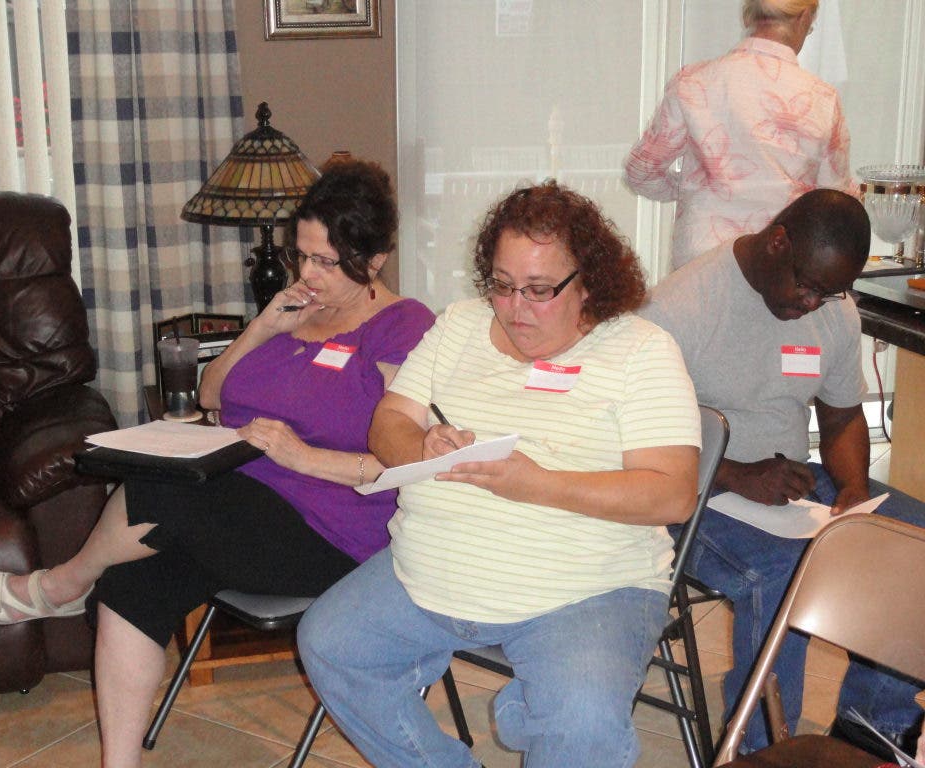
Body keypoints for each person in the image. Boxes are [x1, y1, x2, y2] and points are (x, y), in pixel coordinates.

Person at [0, 159, 437, 768]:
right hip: (236, 507)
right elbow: (212, 394)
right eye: (302, 255)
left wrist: (304, 457)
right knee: (132, 582)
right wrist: (263, 327)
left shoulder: (403, 328)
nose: (308, 274)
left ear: (375, 260)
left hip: (332, 532)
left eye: (326, 261)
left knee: (168, 492)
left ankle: (62, 584)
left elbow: (407, 461)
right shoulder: (296, 311)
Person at [297, 182, 702, 768]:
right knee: (330, 644)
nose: (514, 308)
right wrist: (419, 445)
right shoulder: (460, 325)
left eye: (539, 290)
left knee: (582, 724)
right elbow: (389, 421)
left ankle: (540, 709)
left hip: (584, 589)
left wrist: (539, 484)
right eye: (503, 284)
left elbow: (673, 494)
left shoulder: (641, 350)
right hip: (430, 570)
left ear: (589, 281)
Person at [638, 188, 925, 756]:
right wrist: (735, 474)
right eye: (808, 286)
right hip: (693, 494)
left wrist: (853, 488)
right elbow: (638, 440)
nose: (814, 303)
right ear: (777, 242)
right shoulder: (679, 309)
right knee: (784, 574)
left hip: (790, 484)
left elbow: (842, 417)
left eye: (829, 292)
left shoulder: (834, 310)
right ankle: (761, 750)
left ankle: (871, 728)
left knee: (913, 538)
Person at [624, 0, 855, 270]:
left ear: (748, 16)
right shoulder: (821, 99)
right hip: (778, 268)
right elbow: (834, 201)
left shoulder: (695, 83)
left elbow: (641, 172)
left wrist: (697, 189)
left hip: (700, 265)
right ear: (804, 17)